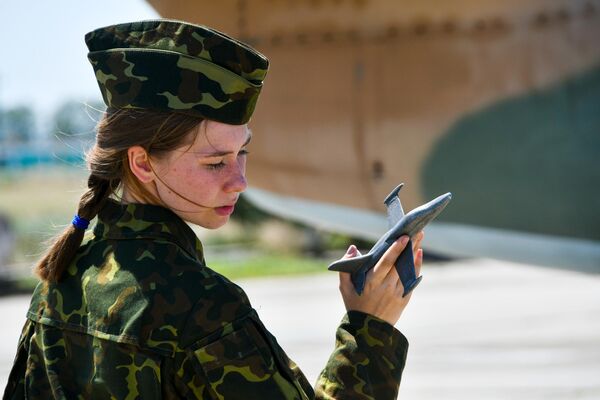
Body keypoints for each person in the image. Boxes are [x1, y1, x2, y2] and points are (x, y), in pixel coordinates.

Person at [3, 19, 424, 399]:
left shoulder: (58, 282)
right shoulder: (202, 307)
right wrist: (370, 329)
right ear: (142, 163)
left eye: (243, 153)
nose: (239, 180)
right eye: (215, 162)